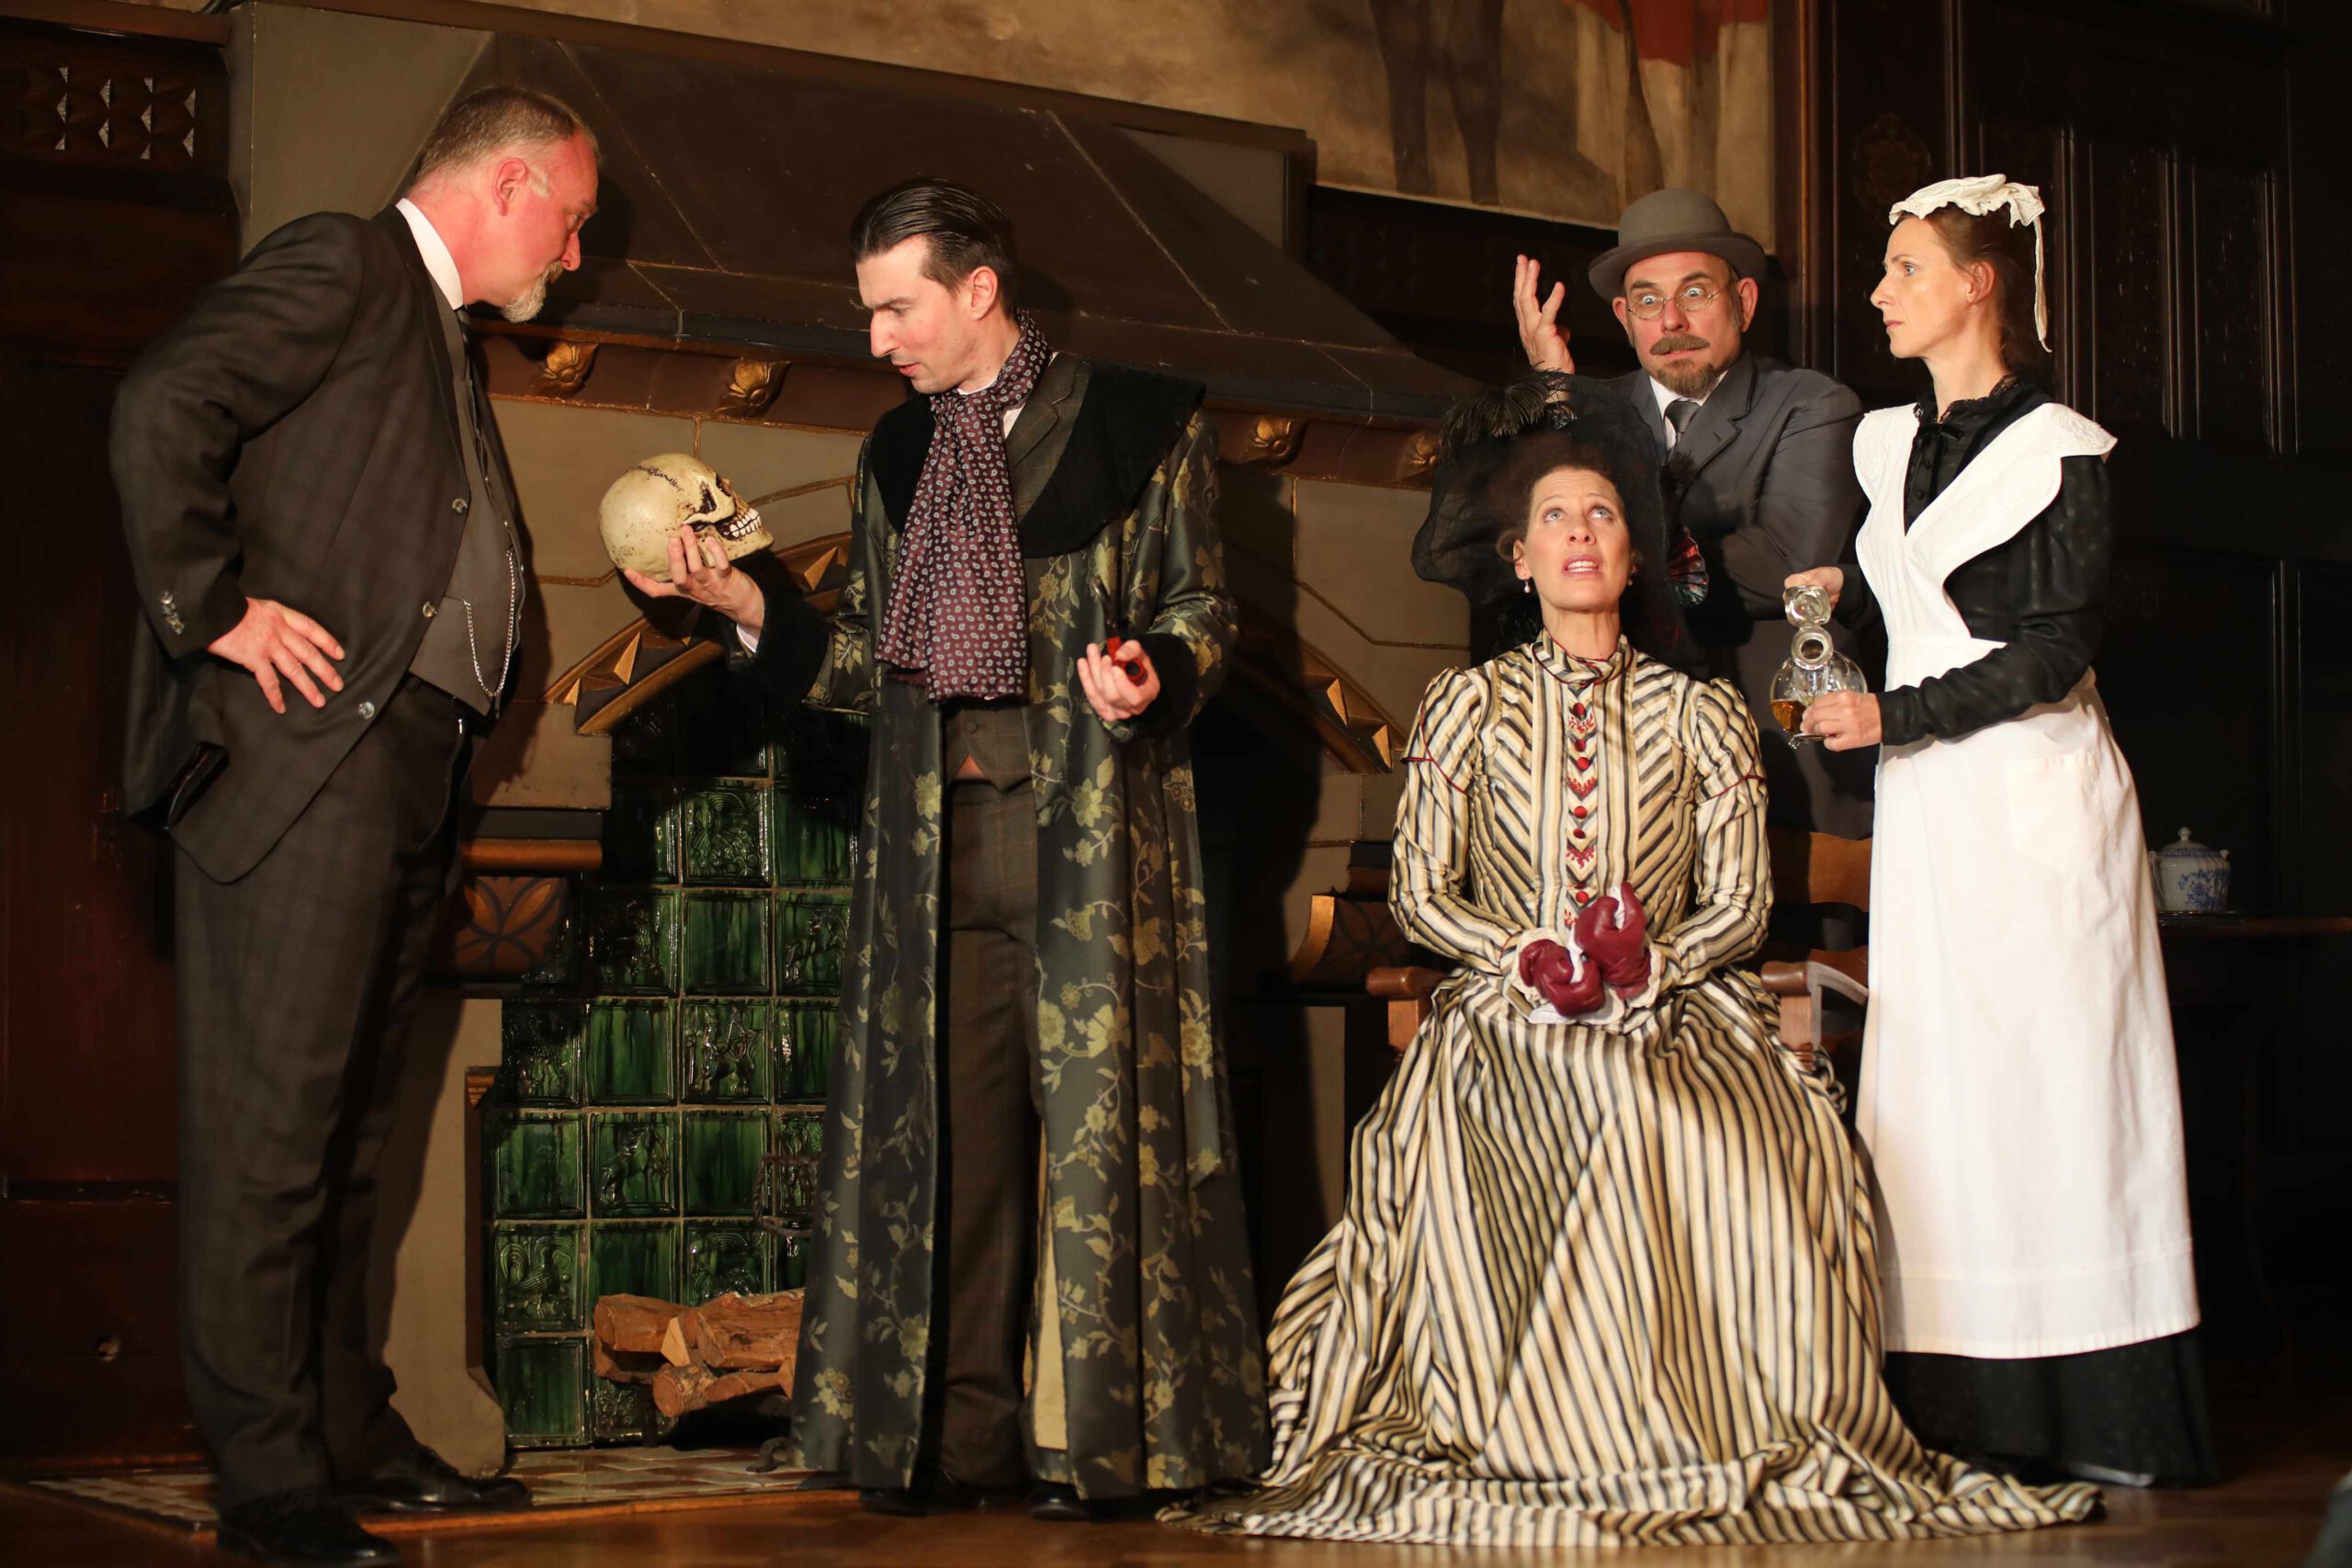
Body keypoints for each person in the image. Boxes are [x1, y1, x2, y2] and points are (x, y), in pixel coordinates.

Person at [1170, 374, 2098, 1546]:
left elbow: (1739, 903)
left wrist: (1654, 965)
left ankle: (1688, 1419)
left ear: (1633, 555)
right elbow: (1421, 894)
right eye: (1554, 518)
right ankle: (1546, 1420)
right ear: (1519, 560)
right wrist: (1522, 956)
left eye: (1601, 515)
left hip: (1677, 1002)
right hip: (1503, 1010)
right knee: (1543, 1094)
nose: (1579, 534)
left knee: (1705, 1121)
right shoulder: (1464, 706)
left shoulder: (1704, 714)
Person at [627, 177, 1265, 1520]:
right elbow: (870, 663)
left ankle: (1097, 1447)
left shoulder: (1143, 422)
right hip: (935, 852)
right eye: (868, 314)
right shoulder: (897, 453)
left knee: (1092, 1146)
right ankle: (961, 1441)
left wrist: (1156, 667)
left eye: (896, 309)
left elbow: (1205, 605)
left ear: (979, 290)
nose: (878, 341)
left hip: (1089, 839)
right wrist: (744, 602)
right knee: (952, 1144)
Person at [111, 86, 598, 1565]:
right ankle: (269, 1478)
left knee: (345, 1141)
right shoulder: (345, 261)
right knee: (272, 1139)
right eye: (572, 220)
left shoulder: (435, 329)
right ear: (507, 185)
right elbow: (162, 403)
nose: (574, 255)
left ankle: (342, 1429)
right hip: (306, 767)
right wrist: (215, 610)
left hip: (401, 777)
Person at [1787, 174, 2212, 1487]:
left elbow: (2050, 647)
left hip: (2031, 792)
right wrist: (1842, 614)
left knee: (2053, 1082)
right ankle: (1958, 1401)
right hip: (1931, 802)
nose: (1879, 292)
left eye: (1905, 268)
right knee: (1943, 1085)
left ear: (1978, 285)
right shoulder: (1883, 445)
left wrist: (1892, 711)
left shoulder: (2059, 450)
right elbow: (1918, 604)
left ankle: (2092, 1409)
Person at [1501, 187, 1874, 836]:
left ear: (1744, 302)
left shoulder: (1811, 404)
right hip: (1619, 755)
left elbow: (1786, 562)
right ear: (1624, 318)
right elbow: (1538, 542)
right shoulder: (1588, 412)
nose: (1671, 320)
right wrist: (1556, 395)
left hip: (1775, 751)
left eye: (1695, 293)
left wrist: (1610, 561)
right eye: (1648, 301)